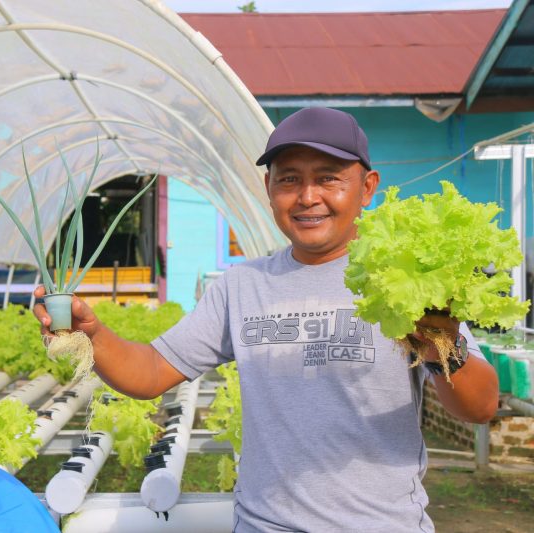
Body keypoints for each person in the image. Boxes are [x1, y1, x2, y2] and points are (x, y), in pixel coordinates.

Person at [33, 107, 499, 532]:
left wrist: (442, 341)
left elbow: (479, 408)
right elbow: (152, 371)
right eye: (289, 179)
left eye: (330, 178)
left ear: (367, 187)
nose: (308, 197)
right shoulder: (243, 285)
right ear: (269, 189)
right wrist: (91, 334)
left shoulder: (403, 278)